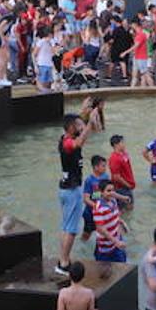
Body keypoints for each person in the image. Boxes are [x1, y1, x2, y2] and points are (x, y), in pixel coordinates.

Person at [55, 109, 100, 275]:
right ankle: (64, 263)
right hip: (71, 191)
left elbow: (79, 139)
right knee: (72, 229)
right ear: (71, 127)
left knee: (66, 227)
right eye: (78, 125)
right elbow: (78, 143)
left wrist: (86, 113)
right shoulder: (67, 142)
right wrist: (89, 124)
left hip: (68, 188)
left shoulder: (67, 138)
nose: (81, 127)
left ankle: (63, 259)